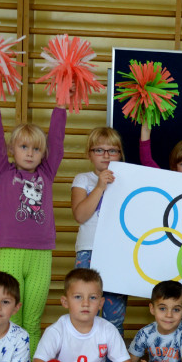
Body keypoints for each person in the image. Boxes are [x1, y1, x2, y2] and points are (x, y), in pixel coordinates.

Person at [0, 93, 67, 354]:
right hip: (10, 251)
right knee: (11, 318)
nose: (30, 154)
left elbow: (57, 139)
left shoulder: (47, 173)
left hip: (41, 254)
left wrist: (61, 104)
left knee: (31, 320)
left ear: (43, 154)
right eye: (23, 147)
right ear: (12, 150)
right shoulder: (3, 172)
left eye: (36, 149)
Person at [70, 126, 128, 335]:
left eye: (112, 150)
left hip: (117, 254)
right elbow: (80, 215)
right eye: (99, 150)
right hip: (89, 252)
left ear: (120, 154)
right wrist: (100, 186)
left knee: (114, 318)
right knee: (84, 312)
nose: (106, 155)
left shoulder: (128, 180)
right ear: (89, 154)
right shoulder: (83, 179)